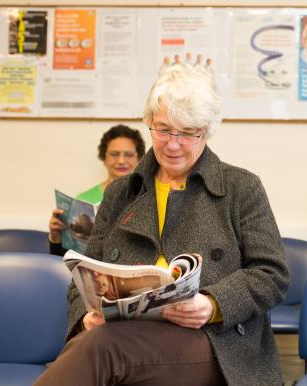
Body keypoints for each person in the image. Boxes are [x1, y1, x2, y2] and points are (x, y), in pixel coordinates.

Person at [34, 63, 289, 386]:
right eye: (164, 129)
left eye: (187, 133)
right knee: (96, 343)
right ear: (149, 123)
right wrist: (86, 317)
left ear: (206, 131)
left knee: (102, 349)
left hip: (212, 340)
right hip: (120, 334)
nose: (172, 144)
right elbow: (80, 277)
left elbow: (272, 275)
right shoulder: (120, 193)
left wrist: (212, 305)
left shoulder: (241, 187)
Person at [48, 125, 145, 255]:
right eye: (114, 154)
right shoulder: (83, 200)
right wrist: (56, 237)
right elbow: (65, 259)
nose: (121, 161)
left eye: (128, 155)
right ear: (104, 158)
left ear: (139, 159)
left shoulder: (146, 196)